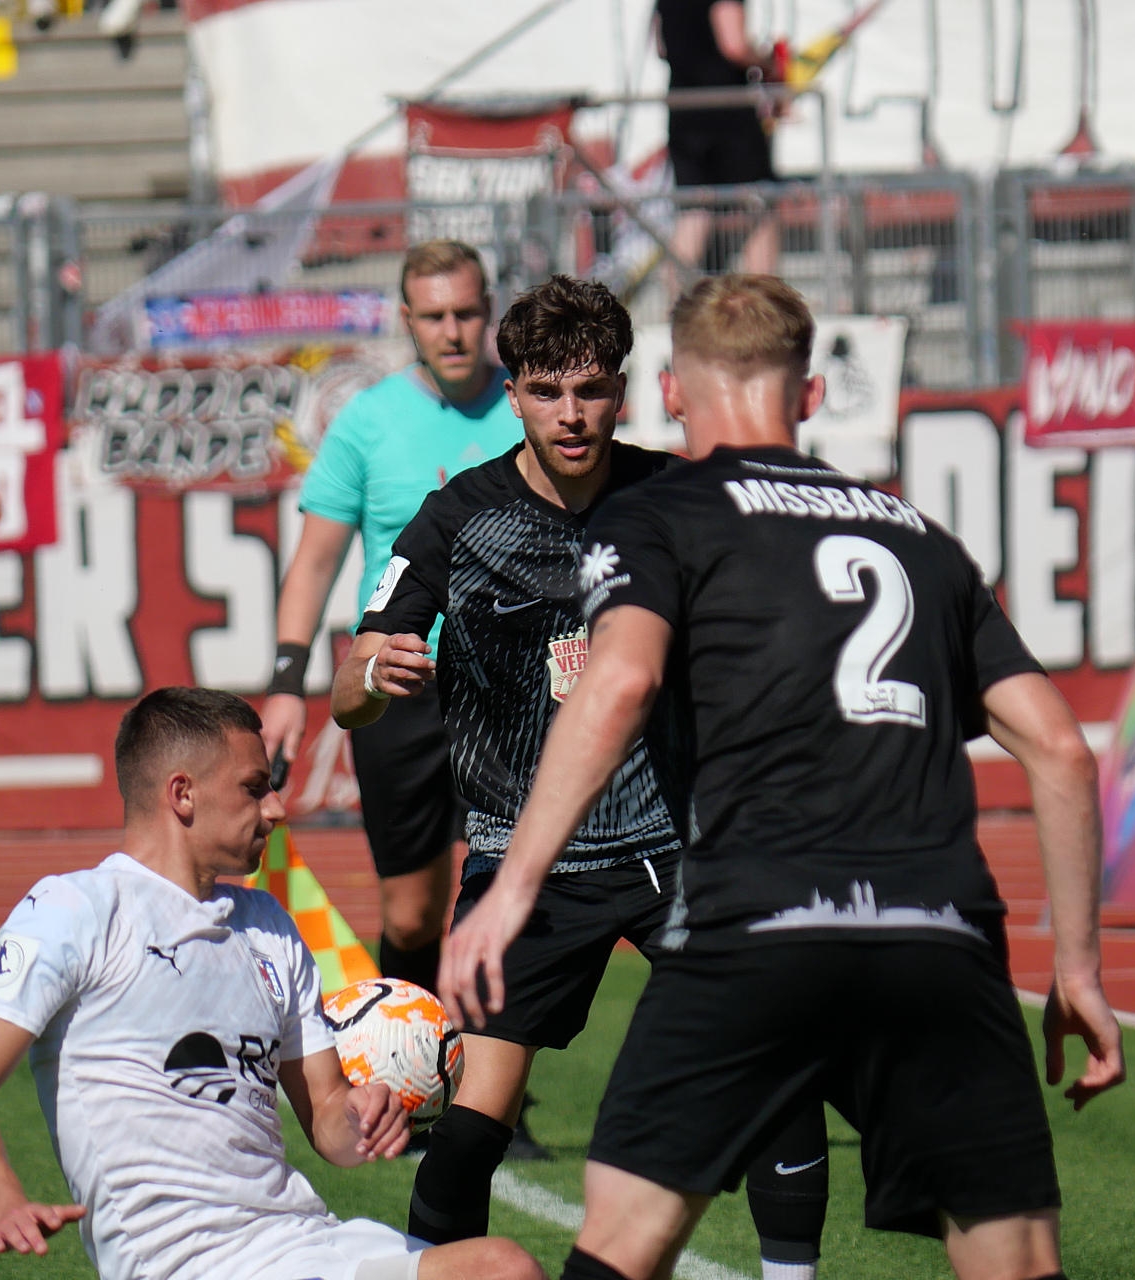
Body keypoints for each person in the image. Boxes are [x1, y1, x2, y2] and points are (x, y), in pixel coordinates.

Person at [439, 275, 1126, 1280]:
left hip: (755, 919)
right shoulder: (916, 536)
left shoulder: (660, 512)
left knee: (625, 1235)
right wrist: (1080, 971)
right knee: (1014, 1256)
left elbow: (621, 680)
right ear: (810, 395)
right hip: (937, 933)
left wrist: (514, 887)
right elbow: (1062, 751)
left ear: (669, 390)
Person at [331, 275, 831, 1279]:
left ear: (623, 391)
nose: (571, 414)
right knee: (472, 1119)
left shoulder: (678, 499)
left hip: (678, 846)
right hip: (527, 860)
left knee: (778, 1073)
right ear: (513, 393)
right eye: (549, 391)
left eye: (593, 390)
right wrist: (374, 676)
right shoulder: (456, 518)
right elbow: (350, 688)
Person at [0, 686, 544, 1280]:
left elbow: (328, 1120)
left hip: (301, 1237)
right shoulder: (77, 908)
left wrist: (362, 1118)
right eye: (254, 788)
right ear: (183, 794)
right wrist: (4, 1203)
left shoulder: (268, 925)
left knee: (502, 1267)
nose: (276, 808)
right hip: (185, 1261)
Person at [260, 240, 519, 1007]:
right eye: (434, 316)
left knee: (509, 900)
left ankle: (495, 1080)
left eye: (466, 313)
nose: (452, 331)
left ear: (488, 311)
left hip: (509, 690)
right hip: (401, 685)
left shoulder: (529, 407)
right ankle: (410, 1063)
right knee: (410, 916)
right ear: (407, 319)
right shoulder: (367, 421)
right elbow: (314, 564)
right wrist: (286, 685)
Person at [654, 0, 780, 275]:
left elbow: (661, 48)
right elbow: (734, 46)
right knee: (759, 206)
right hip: (728, 111)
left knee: (693, 211)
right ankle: (763, 298)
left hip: (683, 110)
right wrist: (766, 62)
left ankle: (678, 298)